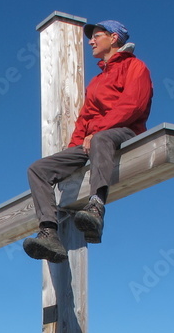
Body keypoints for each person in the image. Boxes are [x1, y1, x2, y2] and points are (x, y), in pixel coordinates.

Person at [23, 19, 153, 263]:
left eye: (97, 36)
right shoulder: (97, 81)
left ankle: (96, 207)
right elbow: (85, 118)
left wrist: (97, 132)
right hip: (93, 140)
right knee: (38, 169)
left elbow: (133, 105)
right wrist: (73, 150)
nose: (91, 41)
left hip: (124, 133)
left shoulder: (136, 67)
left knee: (101, 139)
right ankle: (49, 232)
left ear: (114, 38)